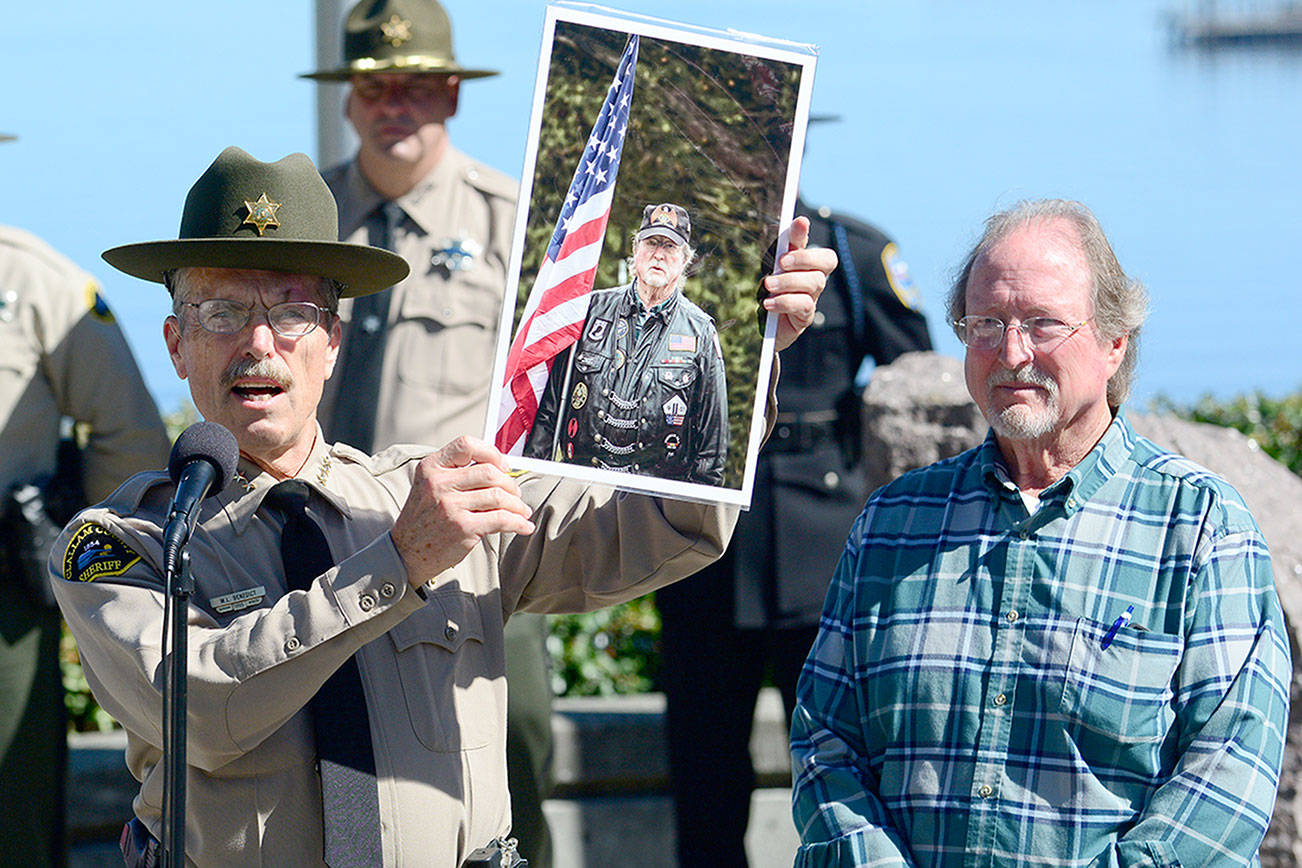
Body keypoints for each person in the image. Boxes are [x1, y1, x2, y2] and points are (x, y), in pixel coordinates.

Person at [47, 145, 833, 867]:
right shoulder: (126, 544)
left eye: (289, 312)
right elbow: (204, 714)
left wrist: (746, 354)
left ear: (332, 342)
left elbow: (667, 526)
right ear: (176, 344)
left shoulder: (435, 492)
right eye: (221, 312)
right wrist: (396, 565)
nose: (259, 343)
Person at [790, 198, 1290, 867]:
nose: (1012, 352)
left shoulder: (1201, 530)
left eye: (1043, 324)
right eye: (987, 323)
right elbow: (826, 741)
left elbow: (1229, 771)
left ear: (1115, 342)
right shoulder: (891, 525)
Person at [300, 2, 556, 862]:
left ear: (451, 95)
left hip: (474, 549)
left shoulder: (511, 224)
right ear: (348, 102)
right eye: (375, 87)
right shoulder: (307, 221)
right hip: (319, 550)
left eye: (415, 86)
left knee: (511, 747)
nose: (393, 104)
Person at [656, 198, 931, 866]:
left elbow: (918, 377)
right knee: (705, 781)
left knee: (843, 772)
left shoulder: (852, 252)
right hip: (705, 549)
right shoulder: (669, 254)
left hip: (822, 559)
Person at [1, 144, 170, 863]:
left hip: (3, 608)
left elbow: (128, 432)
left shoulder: (33, 282)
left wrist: (88, 574)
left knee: (14, 816)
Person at [524, 203, 729, 486]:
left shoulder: (701, 332)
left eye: (670, 247)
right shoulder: (589, 310)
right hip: (574, 486)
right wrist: (535, 484)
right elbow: (548, 411)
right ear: (636, 250)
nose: (659, 254)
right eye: (652, 242)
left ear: (684, 260)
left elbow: (712, 446)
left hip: (651, 504)